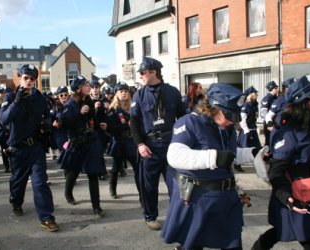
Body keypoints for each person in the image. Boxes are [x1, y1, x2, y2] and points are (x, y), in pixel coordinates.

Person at [161, 83, 259, 250]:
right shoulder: (190, 122)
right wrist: (213, 157)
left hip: (224, 199)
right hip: (198, 199)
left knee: (232, 244)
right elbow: (174, 156)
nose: (231, 121)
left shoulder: (225, 128)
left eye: (235, 117)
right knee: (192, 245)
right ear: (214, 108)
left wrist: (252, 153)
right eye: (229, 115)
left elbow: (229, 155)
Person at [252, 74, 310, 249]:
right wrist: (288, 198)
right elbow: (276, 172)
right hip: (294, 198)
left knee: (282, 230)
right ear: (305, 102)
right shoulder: (289, 134)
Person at [0, 64, 59, 232]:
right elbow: (3, 120)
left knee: (40, 183)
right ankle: (16, 202)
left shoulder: (39, 98)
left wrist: (46, 124)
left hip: (36, 147)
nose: (29, 81)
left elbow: (47, 116)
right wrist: (16, 102)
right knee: (18, 181)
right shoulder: (10, 97)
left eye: (33, 78)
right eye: (26, 78)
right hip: (18, 149)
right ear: (20, 78)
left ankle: (47, 217)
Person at [130, 56, 186, 230]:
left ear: (153, 72)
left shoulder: (173, 92)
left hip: (171, 145)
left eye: (142, 72)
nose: (140, 75)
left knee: (175, 186)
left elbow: (183, 119)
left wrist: (183, 142)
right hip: (150, 147)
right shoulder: (139, 95)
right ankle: (150, 216)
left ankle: (177, 217)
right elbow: (134, 123)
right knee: (149, 187)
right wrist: (140, 144)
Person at [57, 75, 105, 217]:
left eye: (88, 84)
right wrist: (79, 113)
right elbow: (65, 125)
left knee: (93, 174)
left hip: (90, 141)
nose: (89, 87)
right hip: (77, 142)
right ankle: (68, 193)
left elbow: (93, 120)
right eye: (86, 85)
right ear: (78, 88)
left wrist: (99, 124)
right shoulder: (69, 104)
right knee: (73, 172)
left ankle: (96, 206)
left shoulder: (89, 101)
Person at [106, 82, 141, 201]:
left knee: (137, 169)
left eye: (126, 91)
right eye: (121, 91)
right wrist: (127, 125)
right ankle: (112, 189)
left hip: (131, 142)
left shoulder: (133, 107)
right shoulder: (113, 109)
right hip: (119, 141)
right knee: (116, 168)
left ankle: (142, 194)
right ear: (116, 93)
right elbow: (112, 128)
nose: (124, 93)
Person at [235, 86, 261, 172]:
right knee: (243, 148)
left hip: (253, 129)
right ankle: (237, 164)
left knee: (257, 148)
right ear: (251, 94)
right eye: (255, 93)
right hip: (247, 131)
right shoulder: (246, 105)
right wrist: (246, 131)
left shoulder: (254, 105)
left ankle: (258, 165)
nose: (257, 94)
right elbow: (243, 120)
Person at [260, 81, 278, 147]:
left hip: (275, 122)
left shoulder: (276, 98)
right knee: (269, 140)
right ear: (272, 89)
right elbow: (264, 112)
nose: (277, 90)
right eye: (275, 88)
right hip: (269, 123)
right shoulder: (267, 98)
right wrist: (269, 122)